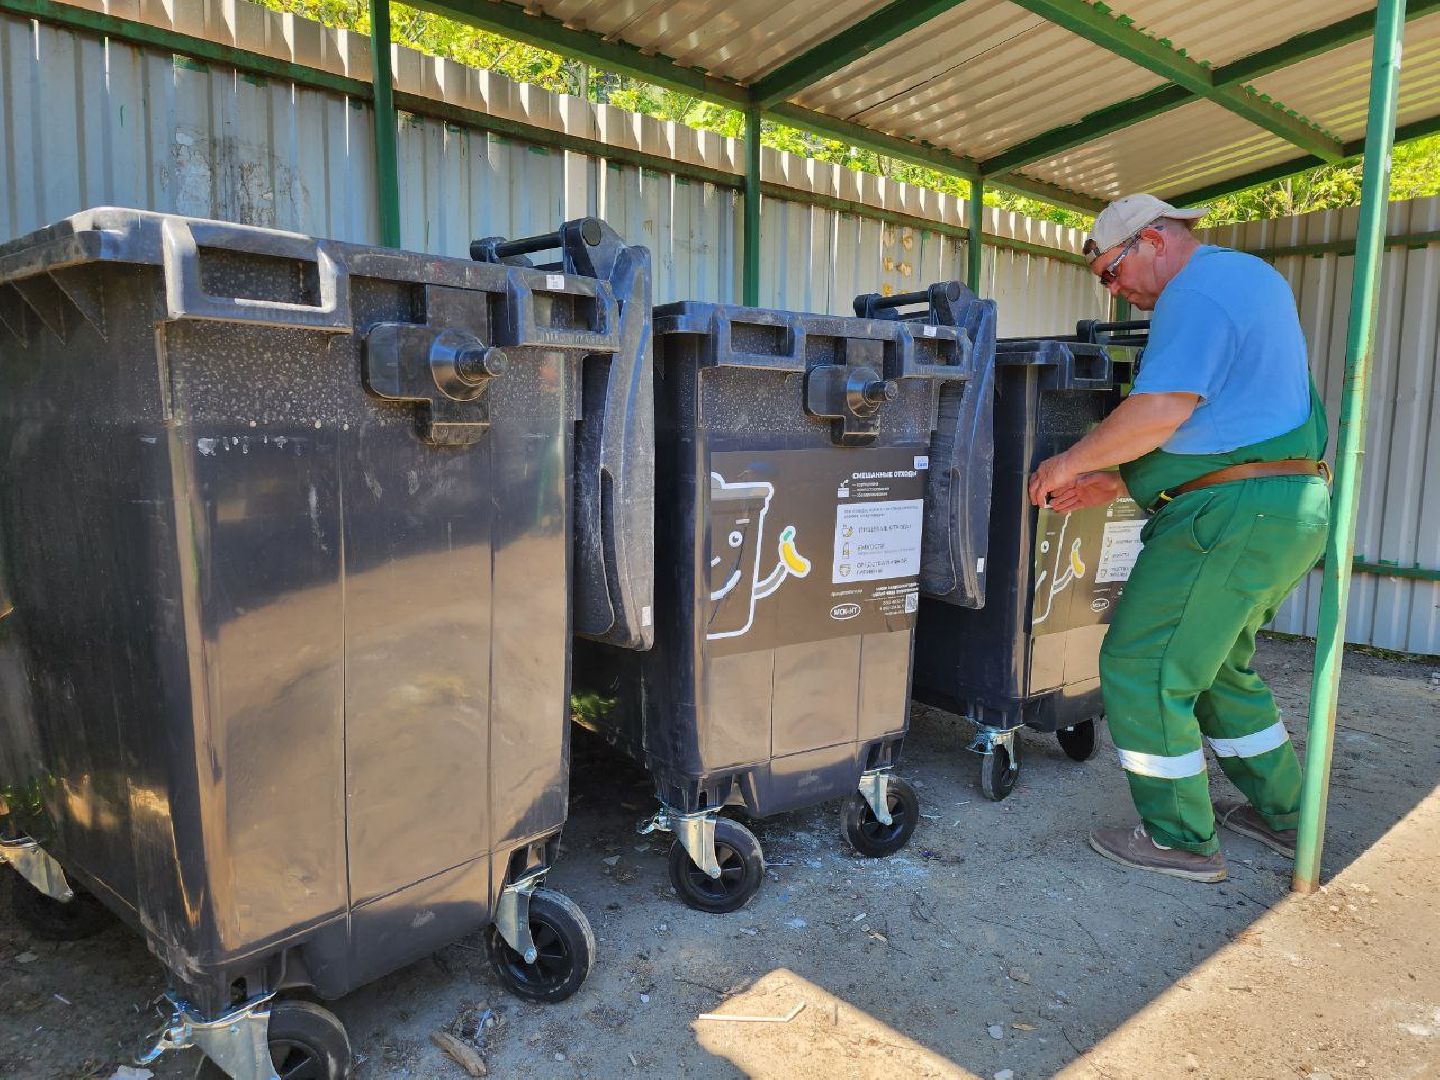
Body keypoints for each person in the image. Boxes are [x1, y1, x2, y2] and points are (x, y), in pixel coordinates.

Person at [1028, 194, 1331, 883]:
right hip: (1281, 505)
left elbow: (1161, 409)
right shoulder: (1245, 280)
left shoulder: (1196, 291)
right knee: (1220, 669)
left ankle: (1180, 839)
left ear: (1153, 240)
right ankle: (1287, 815)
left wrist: (1071, 461)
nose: (1115, 292)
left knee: (1143, 665)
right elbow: (1225, 424)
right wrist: (1118, 484)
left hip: (1230, 517)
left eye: (1110, 271)